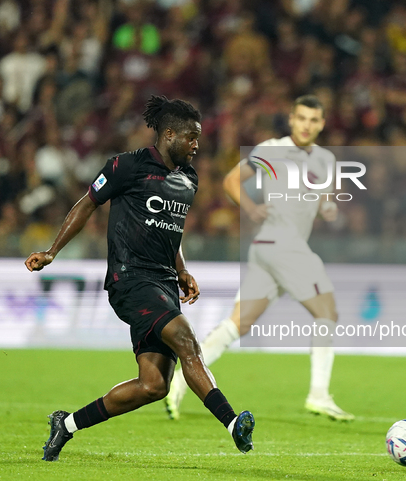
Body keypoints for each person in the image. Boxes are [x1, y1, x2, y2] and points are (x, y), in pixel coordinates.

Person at [25, 95, 255, 461]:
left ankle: (65, 425)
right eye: (191, 137)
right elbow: (86, 204)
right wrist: (52, 251)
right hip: (129, 278)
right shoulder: (125, 166)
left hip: (163, 283)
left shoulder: (188, 179)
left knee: (153, 385)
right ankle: (232, 423)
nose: (197, 145)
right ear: (168, 134)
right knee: (186, 340)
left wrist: (181, 270)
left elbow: (169, 231)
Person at [165, 95, 355, 422]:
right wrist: (251, 208)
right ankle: (319, 395)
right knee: (327, 312)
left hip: (270, 248)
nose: (307, 125)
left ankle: (180, 381)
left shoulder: (326, 160)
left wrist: (328, 207)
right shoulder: (272, 149)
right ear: (292, 120)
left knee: (239, 323)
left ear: (322, 124)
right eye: (302, 118)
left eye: (314, 120)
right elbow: (230, 181)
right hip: (282, 244)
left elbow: (325, 202)